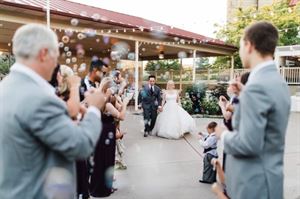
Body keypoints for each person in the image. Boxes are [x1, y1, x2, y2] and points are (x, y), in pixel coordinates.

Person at [0, 24, 106, 199]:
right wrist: (94, 108)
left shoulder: (6, 87)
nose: (56, 64)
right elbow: (80, 145)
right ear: (43, 54)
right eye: (55, 56)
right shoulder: (39, 98)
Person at [215, 21, 291, 199]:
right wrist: (245, 93)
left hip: (253, 186)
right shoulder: (277, 81)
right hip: (269, 180)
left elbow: (248, 144)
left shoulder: (257, 87)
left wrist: (222, 134)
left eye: (241, 46)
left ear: (249, 45)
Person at [89, 77, 131, 198]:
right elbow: (121, 116)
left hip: (101, 132)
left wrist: (119, 100)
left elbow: (117, 106)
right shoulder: (106, 104)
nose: (114, 90)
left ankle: (100, 186)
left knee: (101, 160)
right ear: (108, 89)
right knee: (105, 160)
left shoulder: (99, 100)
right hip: (106, 132)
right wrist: (126, 103)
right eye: (113, 88)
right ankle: (102, 189)